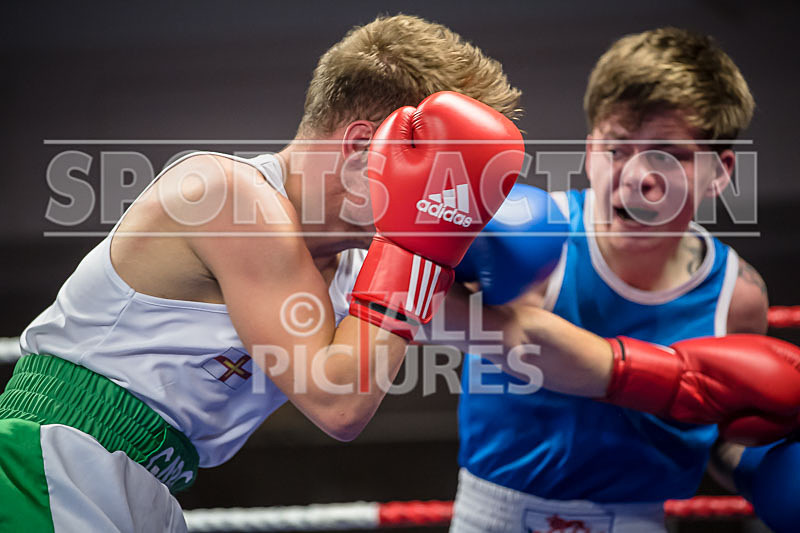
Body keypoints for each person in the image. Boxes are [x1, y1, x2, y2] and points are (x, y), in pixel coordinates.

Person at [0, 15, 525, 532]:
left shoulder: (360, 269)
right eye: (442, 175)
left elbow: (513, 336)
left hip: (147, 484)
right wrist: (419, 247)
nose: (446, 200)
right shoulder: (225, 195)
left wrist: (609, 363)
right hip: (47, 459)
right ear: (363, 147)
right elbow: (338, 401)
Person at [447, 27, 797, 532]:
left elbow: (717, 424)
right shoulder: (532, 244)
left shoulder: (736, 296)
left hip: (638, 521)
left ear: (720, 173)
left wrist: (760, 468)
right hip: (493, 516)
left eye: (667, 153)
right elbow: (427, 314)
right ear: (589, 150)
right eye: (615, 148)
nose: (636, 176)